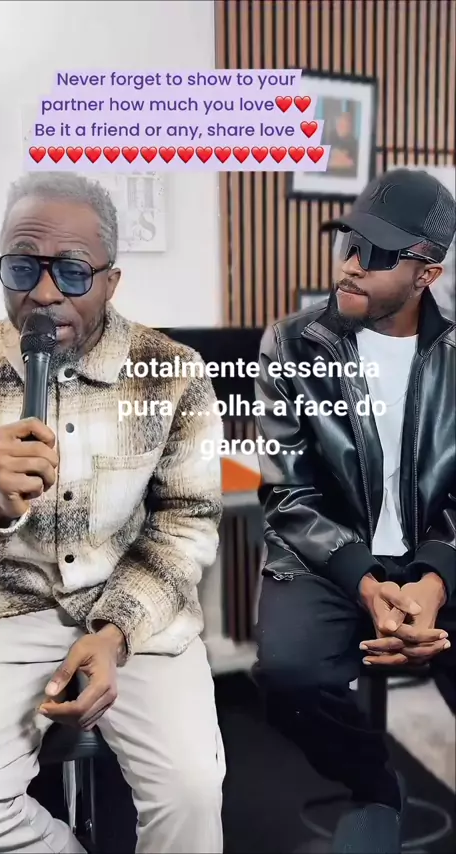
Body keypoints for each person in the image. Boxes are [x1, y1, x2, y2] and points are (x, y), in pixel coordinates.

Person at [0, 172, 226, 854]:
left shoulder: (174, 372)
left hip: (135, 607)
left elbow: (186, 521)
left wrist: (115, 634)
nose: (43, 293)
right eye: (22, 267)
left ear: (111, 281)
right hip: (9, 606)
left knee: (192, 793)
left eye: (72, 271)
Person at [253, 168, 456, 853]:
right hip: (328, 552)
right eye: (349, 243)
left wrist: (433, 580)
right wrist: (367, 583)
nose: (350, 264)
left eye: (376, 253)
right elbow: (288, 493)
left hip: (438, 550)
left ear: (426, 274)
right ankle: (374, 783)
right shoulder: (291, 344)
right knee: (288, 675)